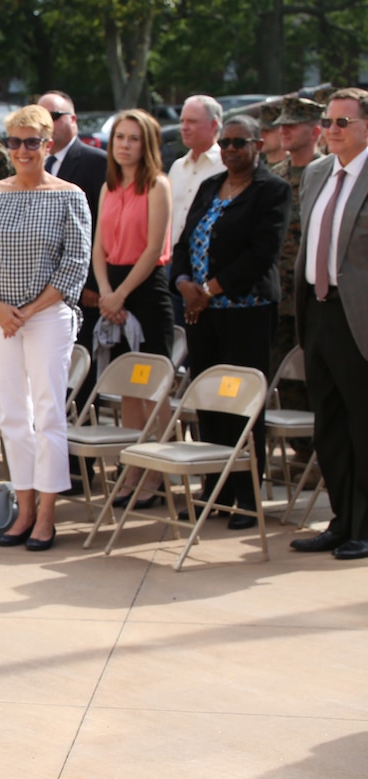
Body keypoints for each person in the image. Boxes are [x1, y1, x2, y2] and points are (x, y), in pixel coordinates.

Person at [0, 104, 91, 551]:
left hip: (48, 317)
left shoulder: (70, 195)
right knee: (13, 416)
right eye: (14, 142)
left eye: (31, 142)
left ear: (47, 144)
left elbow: (75, 265)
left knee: (49, 413)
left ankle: (48, 516)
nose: (22, 150)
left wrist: (30, 309)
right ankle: (24, 509)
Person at [171, 114, 292, 529]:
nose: (230, 150)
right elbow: (185, 241)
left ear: (258, 145)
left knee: (241, 404)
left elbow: (263, 253)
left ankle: (245, 493)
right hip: (201, 313)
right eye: (225, 143)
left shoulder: (272, 190)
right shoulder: (209, 186)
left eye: (240, 143)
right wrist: (185, 282)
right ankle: (214, 491)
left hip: (245, 311)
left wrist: (212, 288)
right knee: (209, 401)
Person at [290, 88, 368, 560]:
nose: (332, 130)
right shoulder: (317, 173)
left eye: (343, 122)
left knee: (364, 425)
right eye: (329, 121)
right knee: (329, 426)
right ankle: (340, 522)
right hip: (317, 312)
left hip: (358, 318)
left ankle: (365, 526)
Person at [91, 109, 174, 507]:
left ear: (147, 144)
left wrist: (121, 294)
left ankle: (157, 473)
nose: (124, 145)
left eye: (133, 138)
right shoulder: (108, 187)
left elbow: (154, 249)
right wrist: (107, 293)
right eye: (119, 137)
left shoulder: (157, 186)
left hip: (145, 290)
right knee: (128, 389)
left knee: (152, 387)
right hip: (113, 291)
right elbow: (99, 248)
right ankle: (133, 470)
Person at [36, 90, 108, 467]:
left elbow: (97, 229)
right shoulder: (29, 164)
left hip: (85, 292)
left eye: (56, 115)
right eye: (41, 115)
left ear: (73, 120)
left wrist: (92, 284)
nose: (48, 122)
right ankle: (50, 463)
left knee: (82, 379)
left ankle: (81, 469)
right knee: (49, 388)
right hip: (36, 296)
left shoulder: (96, 163)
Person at [268, 96, 323, 403]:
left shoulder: (329, 172)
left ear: (315, 132)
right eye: (281, 126)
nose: (283, 131)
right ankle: (298, 450)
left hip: (314, 295)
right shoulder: (274, 177)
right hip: (279, 294)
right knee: (282, 379)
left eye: (292, 125)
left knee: (316, 373)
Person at [167, 95, 226, 249]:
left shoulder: (226, 166)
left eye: (192, 121)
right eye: (182, 121)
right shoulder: (177, 167)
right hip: (173, 261)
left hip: (207, 262)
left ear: (213, 125)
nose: (184, 127)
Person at [259, 100, 287, 166]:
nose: (261, 135)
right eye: (259, 130)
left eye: (267, 131)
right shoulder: (255, 169)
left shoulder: (297, 165)